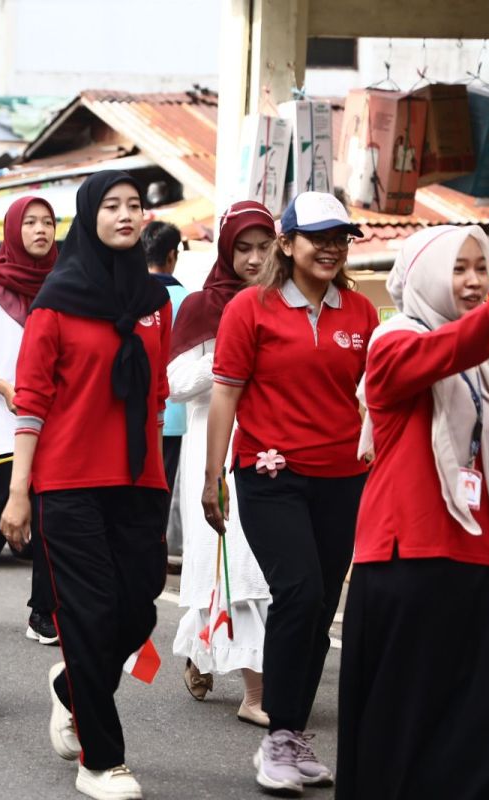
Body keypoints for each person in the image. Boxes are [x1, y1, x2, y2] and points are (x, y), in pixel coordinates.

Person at [337, 225, 489, 799]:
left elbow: (479, 445)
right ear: (427, 274)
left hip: (485, 548)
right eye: (458, 268)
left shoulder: (478, 358)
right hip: (411, 553)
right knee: (413, 725)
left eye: (481, 269)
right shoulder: (394, 340)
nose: (472, 281)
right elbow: (438, 355)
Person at [1, 171, 171, 800]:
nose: (126, 215)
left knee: (139, 606)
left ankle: (69, 686)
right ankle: (101, 760)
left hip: (140, 480)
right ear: (89, 216)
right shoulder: (57, 301)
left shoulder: (157, 303)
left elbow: (155, 399)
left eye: (135, 206)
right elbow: (32, 402)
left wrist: (157, 474)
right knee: (92, 614)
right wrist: (20, 491)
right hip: (68, 482)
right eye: (112, 205)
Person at [204, 191, 377, 793]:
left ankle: (294, 733)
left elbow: (372, 399)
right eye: (318, 237)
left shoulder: (360, 312)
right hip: (269, 475)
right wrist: (212, 478)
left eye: (341, 238)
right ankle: (277, 737)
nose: (331, 247)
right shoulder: (249, 309)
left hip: (343, 480)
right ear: (288, 243)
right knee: (298, 593)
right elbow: (224, 394)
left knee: (322, 605)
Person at [168, 201, 274, 727]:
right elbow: (176, 383)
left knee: (245, 567)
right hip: (212, 449)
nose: (254, 259)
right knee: (229, 563)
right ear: (226, 251)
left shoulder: (285, 302)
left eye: (264, 247)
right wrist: (231, 358)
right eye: (243, 249)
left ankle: (201, 649)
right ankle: (255, 691)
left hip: (271, 445)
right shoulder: (200, 307)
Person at [0, 195, 58, 645]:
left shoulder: (64, 285)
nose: (41, 230)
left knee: (49, 523)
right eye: (30, 223)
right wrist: (4, 387)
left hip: (49, 427)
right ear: (13, 230)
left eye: (47, 222)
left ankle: (43, 612)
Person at [143, 221, 189, 562]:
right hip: (177, 410)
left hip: (140, 408)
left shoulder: (131, 293)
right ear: (173, 255)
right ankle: (156, 548)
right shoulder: (188, 299)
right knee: (166, 484)